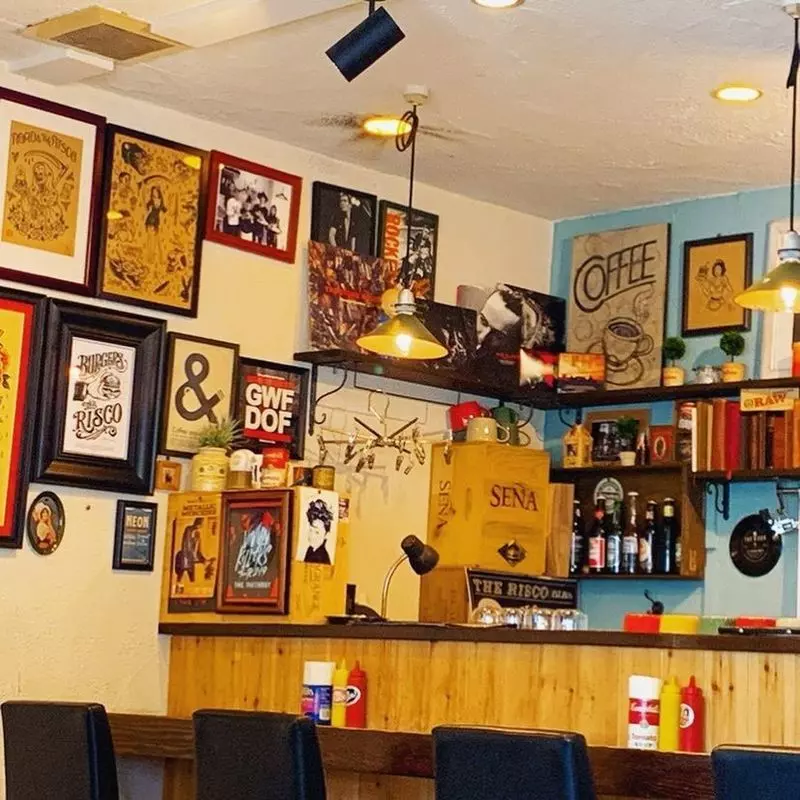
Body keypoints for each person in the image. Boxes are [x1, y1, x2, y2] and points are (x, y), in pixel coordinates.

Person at [175, 518, 206, 584]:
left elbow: (197, 549)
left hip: (191, 561)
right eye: (202, 524)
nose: (202, 526)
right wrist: (194, 557)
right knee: (180, 577)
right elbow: (187, 545)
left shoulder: (197, 533)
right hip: (184, 558)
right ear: (198, 524)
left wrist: (202, 559)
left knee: (192, 579)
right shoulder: (189, 530)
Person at [303, 499, 334, 564]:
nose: (312, 535)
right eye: (310, 530)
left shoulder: (321, 557)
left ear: (326, 535)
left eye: (317, 532)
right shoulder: (311, 549)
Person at [144, 185, 167, 266]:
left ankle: (161, 259)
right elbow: (147, 212)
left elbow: (165, 210)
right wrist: (148, 211)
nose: (154, 193)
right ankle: (150, 259)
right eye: (153, 192)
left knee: (158, 240)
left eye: (156, 192)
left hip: (157, 223)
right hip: (150, 221)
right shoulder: (150, 202)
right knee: (151, 241)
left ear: (158, 192)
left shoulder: (161, 201)